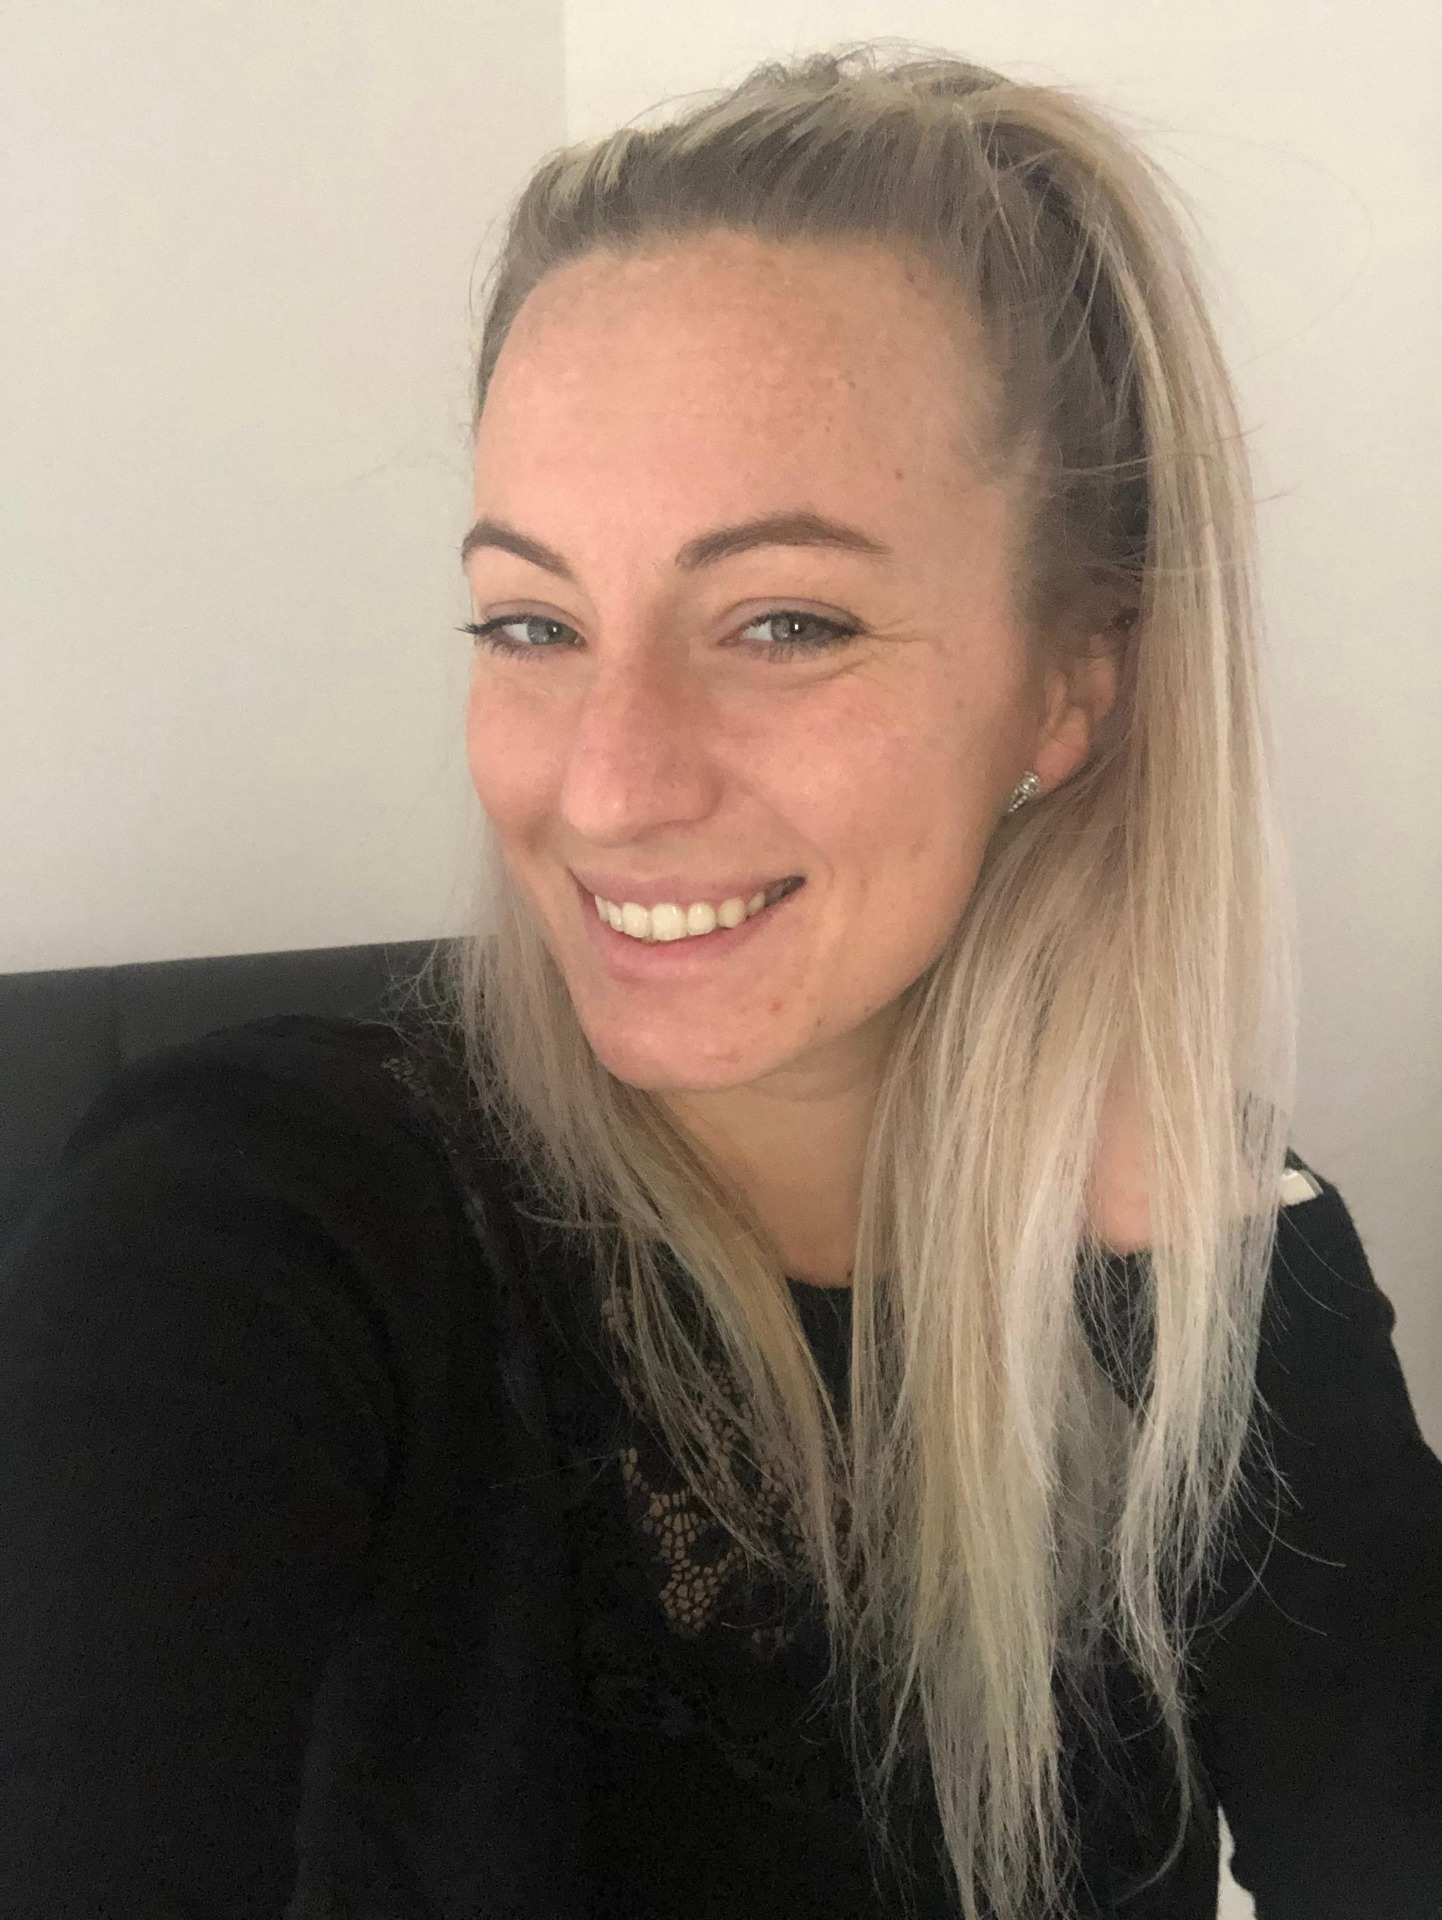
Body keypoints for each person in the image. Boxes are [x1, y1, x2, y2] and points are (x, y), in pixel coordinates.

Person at [1, 43, 1438, 1920]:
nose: (604, 787)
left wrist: (1223, 1282)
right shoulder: (264, 1219)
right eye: (533, 621)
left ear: (1070, 684)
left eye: (781, 621)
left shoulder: (1194, 1242)